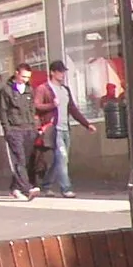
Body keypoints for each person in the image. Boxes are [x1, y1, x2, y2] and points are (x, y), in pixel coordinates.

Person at [32, 60, 95, 197]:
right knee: (62, 157)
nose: (62, 74)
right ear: (52, 72)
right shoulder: (44, 88)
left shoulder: (65, 90)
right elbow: (36, 106)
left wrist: (86, 124)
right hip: (54, 130)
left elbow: (72, 108)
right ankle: (66, 188)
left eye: (63, 72)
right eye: (60, 72)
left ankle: (47, 184)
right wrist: (51, 105)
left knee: (59, 160)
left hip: (65, 128)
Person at [0, 63, 40, 200]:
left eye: (27, 77)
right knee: (19, 159)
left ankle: (15, 188)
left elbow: (32, 109)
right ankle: (27, 189)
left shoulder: (29, 89)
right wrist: (7, 129)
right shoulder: (6, 90)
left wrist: (34, 127)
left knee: (26, 160)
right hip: (14, 129)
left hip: (28, 129)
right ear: (16, 73)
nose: (25, 80)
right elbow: (2, 111)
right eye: (23, 76)